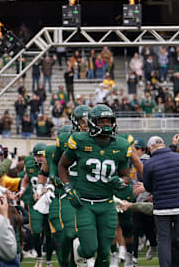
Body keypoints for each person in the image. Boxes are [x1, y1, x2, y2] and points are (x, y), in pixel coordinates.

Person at [58, 104, 132, 267]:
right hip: (85, 202)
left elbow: (125, 175)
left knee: (105, 252)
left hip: (107, 203)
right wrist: (68, 188)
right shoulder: (80, 140)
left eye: (108, 121)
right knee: (90, 248)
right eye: (101, 121)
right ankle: (79, 252)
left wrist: (120, 182)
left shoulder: (121, 145)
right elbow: (62, 165)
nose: (105, 125)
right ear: (92, 123)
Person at [37, 105, 89, 267]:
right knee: (63, 233)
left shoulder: (92, 141)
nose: (86, 124)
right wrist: (44, 187)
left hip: (85, 192)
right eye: (82, 121)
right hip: (61, 196)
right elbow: (48, 170)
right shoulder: (54, 149)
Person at [142, 135, 179, 267]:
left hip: (161, 208)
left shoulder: (149, 163)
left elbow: (148, 187)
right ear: (163, 145)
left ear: (151, 148)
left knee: (164, 241)